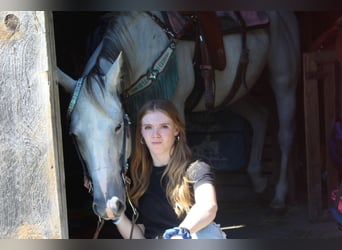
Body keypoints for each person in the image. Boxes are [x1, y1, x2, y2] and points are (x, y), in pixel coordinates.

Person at [111, 99, 226, 239]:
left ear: (176, 130)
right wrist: (117, 217)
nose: (155, 134)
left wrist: (180, 233)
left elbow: (208, 206)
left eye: (164, 126)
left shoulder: (196, 168)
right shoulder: (138, 176)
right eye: (148, 127)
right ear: (141, 133)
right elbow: (139, 238)